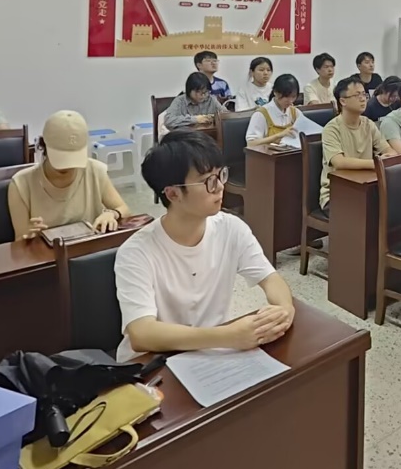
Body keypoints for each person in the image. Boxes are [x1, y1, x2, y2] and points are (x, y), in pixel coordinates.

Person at [113, 131, 295, 361]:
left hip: (207, 353)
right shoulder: (136, 252)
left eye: (220, 175)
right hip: (152, 363)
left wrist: (285, 309)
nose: (219, 187)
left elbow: (270, 278)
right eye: (208, 180)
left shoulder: (231, 228)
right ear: (173, 194)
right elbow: (142, 334)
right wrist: (228, 336)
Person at [8, 110, 131, 242]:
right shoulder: (21, 185)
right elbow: (19, 241)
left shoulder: (94, 171)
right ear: (44, 145)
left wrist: (112, 214)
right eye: (62, 158)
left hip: (89, 249)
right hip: (47, 253)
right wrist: (29, 236)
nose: (68, 167)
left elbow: (124, 209)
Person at [319, 77, 393, 212]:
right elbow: (339, 162)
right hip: (337, 194)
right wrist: (376, 164)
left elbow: (388, 150)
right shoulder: (331, 128)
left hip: (365, 188)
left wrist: (390, 157)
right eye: (357, 95)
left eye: (364, 94)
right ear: (343, 101)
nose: (363, 99)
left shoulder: (368, 124)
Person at [245, 74, 323, 147]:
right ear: (276, 93)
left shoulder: (295, 112)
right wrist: (278, 135)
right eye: (286, 97)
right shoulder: (261, 114)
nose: (290, 101)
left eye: (293, 97)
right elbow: (251, 144)